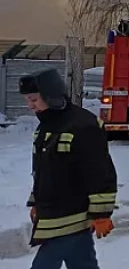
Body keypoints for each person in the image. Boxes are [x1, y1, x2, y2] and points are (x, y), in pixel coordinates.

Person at [19, 68, 118, 269]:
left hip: (69, 216)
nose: (30, 106)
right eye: (27, 100)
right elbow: (44, 171)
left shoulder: (83, 125)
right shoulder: (45, 127)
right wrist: (36, 201)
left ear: (51, 96)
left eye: (34, 100)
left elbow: (99, 171)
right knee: (82, 263)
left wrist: (101, 213)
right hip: (55, 212)